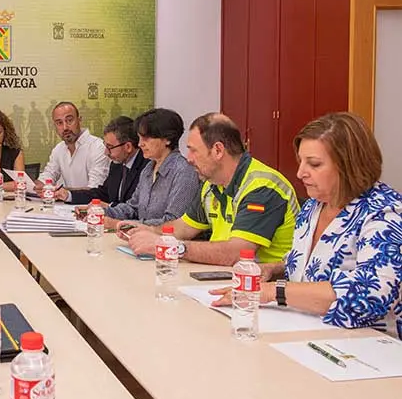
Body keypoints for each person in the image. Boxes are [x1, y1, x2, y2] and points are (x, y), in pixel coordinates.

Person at [210, 113, 402, 336]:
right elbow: (313, 265)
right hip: (307, 331)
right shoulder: (313, 206)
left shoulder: (385, 212)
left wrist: (273, 291)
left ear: (350, 165)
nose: (301, 173)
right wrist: (274, 269)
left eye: (314, 164)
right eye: (300, 161)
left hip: (368, 346)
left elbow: (371, 292)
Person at [122, 113, 299, 265]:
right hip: (221, 279)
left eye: (193, 151)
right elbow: (182, 227)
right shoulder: (211, 184)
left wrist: (171, 246)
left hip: (260, 289)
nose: (189, 159)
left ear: (218, 150)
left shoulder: (262, 187)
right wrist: (146, 231)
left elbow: (238, 253)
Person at [105, 109, 200, 228]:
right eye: (139, 138)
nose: (140, 144)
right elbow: (133, 208)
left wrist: (123, 224)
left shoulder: (184, 172)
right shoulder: (148, 169)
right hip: (144, 240)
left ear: (167, 139)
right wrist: (101, 212)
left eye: (146, 139)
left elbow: (173, 222)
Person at [55, 116, 147, 206]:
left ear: (128, 147)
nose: (106, 153)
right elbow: (102, 194)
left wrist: (108, 207)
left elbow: (137, 208)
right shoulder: (116, 165)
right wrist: (69, 195)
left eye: (110, 147)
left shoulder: (147, 168)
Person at [35, 101, 109, 193]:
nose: (65, 127)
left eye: (69, 120)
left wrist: (62, 192)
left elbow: (95, 189)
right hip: (66, 205)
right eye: (59, 123)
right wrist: (37, 186)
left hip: (93, 205)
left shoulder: (98, 147)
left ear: (79, 120)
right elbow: (49, 174)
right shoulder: (58, 149)